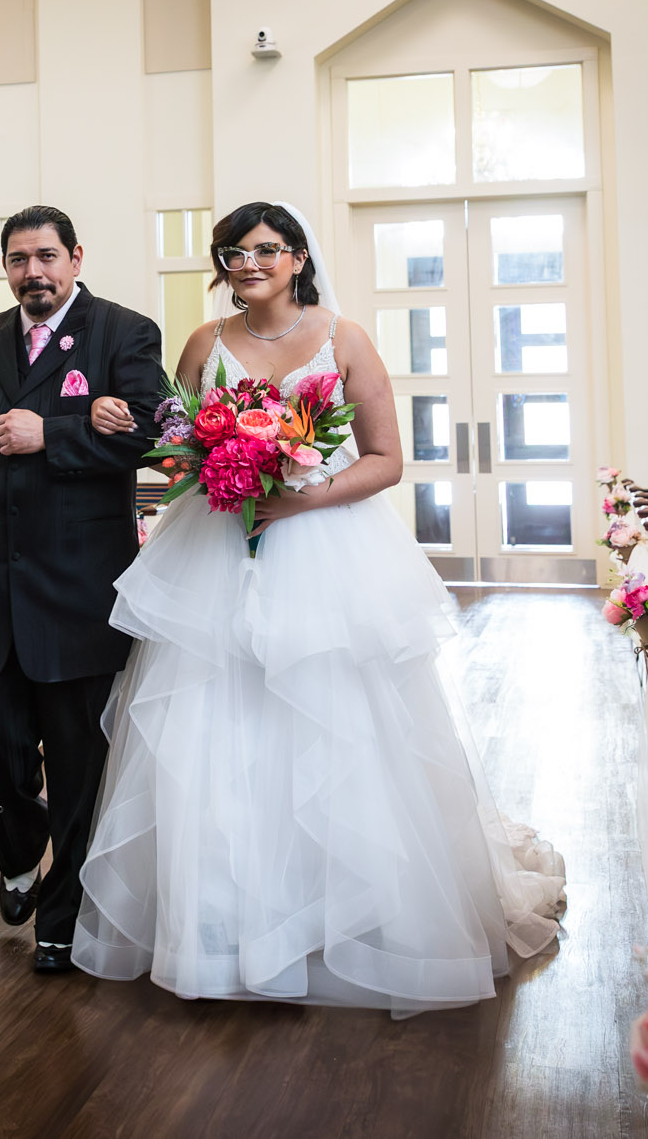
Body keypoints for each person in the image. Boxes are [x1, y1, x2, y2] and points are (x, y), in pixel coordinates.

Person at [71, 201, 565, 1013]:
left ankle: (339, 918)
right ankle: (224, 925)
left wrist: (300, 498)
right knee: (215, 727)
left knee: (331, 721)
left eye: (267, 249)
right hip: (216, 547)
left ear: (298, 258)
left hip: (324, 545)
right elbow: (176, 454)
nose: (249, 262)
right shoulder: (204, 343)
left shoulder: (345, 338)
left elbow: (386, 459)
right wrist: (199, 460)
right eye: (234, 251)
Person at [0, 205, 167, 974]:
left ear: (76, 257)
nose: (34, 273)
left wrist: (50, 430)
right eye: (18, 260)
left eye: (47, 257)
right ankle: (18, 849)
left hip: (81, 589)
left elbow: (151, 431)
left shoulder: (125, 332)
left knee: (82, 768)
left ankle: (62, 919)